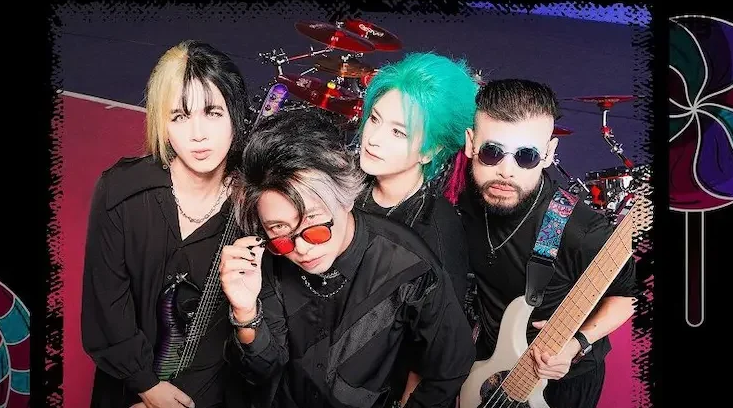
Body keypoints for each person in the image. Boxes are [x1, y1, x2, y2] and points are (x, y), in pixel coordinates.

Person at [219, 108, 475, 408]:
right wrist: (245, 313)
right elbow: (262, 370)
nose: (301, 248)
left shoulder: (409, 265)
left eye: (314, 226)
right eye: (281, 231)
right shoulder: (266, 259)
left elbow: (451, 366)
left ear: (345, 195)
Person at [81, 40, 252, 408]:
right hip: (128, 391)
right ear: (163, 123)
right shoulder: (121, 190)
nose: (198, 134)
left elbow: (243, 333)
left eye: (213, 112)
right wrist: (146, 386)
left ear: (235, 114)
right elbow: (106, 303)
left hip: (209, 395)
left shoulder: (252, 208)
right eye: (179, 116)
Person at [454, 79, 638, 408]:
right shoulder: (468, 201)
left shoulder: (580, 231)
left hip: (560, 381)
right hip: (491, 369)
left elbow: (628, 297)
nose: (506, 172)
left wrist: (578, 343)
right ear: (471, 144)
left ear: (549, 154)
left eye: (526, 156)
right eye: (492, 152)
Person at [354, 52, 477, 405]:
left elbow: (442, 356)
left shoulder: (436, 229)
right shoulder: (346, 189)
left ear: (429, 151)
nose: (373, 139)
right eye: (374, 119)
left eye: (398, 132)